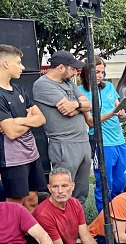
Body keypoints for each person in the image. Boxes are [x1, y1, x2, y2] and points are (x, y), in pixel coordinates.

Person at [0, 44, 47, 208]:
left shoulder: (19, 88)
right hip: (12, 157)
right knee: (16, 202)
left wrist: (17, 120)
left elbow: (41, 118)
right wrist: (26, 119)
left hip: (31, 153)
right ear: (5, 64)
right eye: (18, 62)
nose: (22, 67)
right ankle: (15, 234)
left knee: (33, 198)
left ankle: (30, 234)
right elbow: (10, 132)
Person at [32, 50, 92, 204]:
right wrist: (80, 105)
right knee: (63, 190)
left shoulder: (68, 83)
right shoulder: (42, 84)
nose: (75, 72)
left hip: (83, 141)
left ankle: (78, 223)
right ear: (60, 67)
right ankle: (62, 226)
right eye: (72, 69)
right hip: (64, 143)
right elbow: (68, 111)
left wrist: (76, 104)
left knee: (81, 191)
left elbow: (88, 104)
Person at [29, 168, 107, 244]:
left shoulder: (74, 203)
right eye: (55, 187)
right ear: (49, 188)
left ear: (72, 186)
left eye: (64, 185)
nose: (60, 191)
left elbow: (85, 236)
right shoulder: (43, 214)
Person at [79, 57, 126, 212]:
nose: (100, 75)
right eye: (97, 72)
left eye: (102, 72)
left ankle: (118, 217)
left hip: (119, 140)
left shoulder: (108, 87)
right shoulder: (81, 91)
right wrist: (113, 113)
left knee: (120, 183)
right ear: (87, 72)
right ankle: (103, 224)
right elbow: (91, 121)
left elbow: (119, 111)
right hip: (102, 142)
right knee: (104, 184)